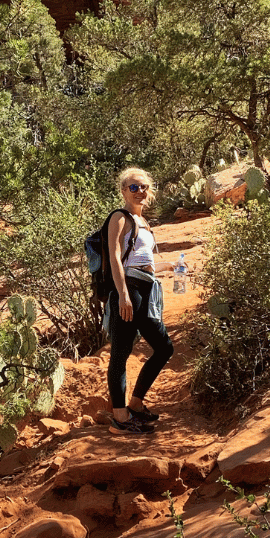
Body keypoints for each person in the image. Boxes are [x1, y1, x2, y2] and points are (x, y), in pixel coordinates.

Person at [105, 167, 175, 434]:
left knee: (164, 348)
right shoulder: (119, 218)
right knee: (121, 354)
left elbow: (145, 260)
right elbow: (114, 256)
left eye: (143, 186)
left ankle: (135, 404)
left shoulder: (144, 222)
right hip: (128, 290)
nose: (140, 191)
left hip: (145, 288)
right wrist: (122, 293)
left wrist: (169, 266)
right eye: (133, 187)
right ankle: (120, 418)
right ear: (124, 191)